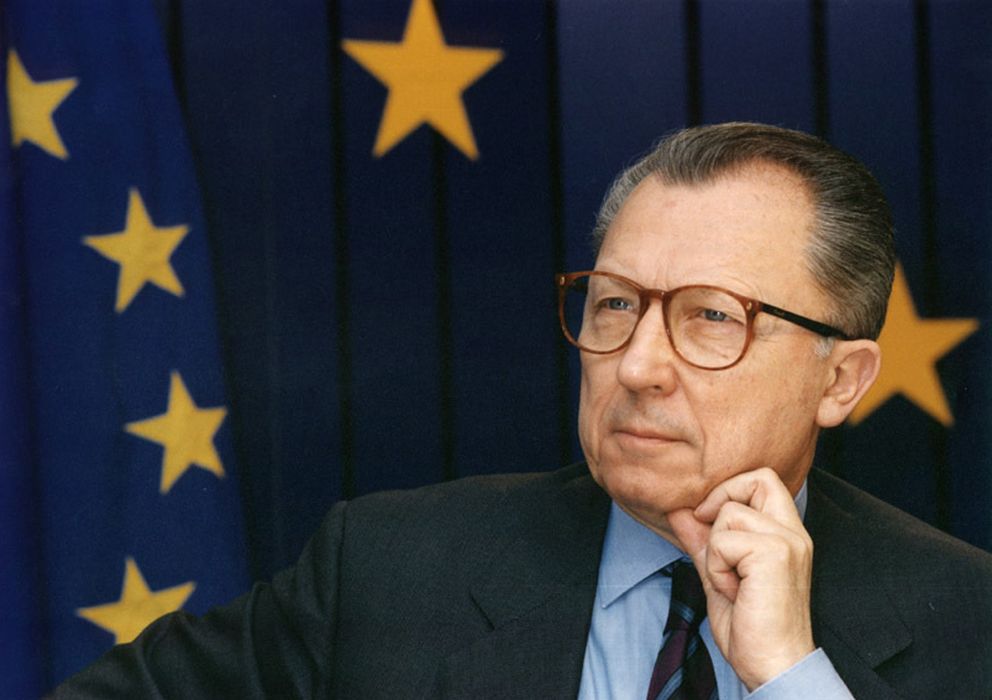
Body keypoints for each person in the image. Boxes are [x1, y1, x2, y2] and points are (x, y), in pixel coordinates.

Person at [55, 123, 992, 698]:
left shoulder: (967, 620)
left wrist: (790, 678)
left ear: (841, 380)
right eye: (615, 303)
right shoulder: (388, 568)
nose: (638, 365)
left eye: (712, 317)